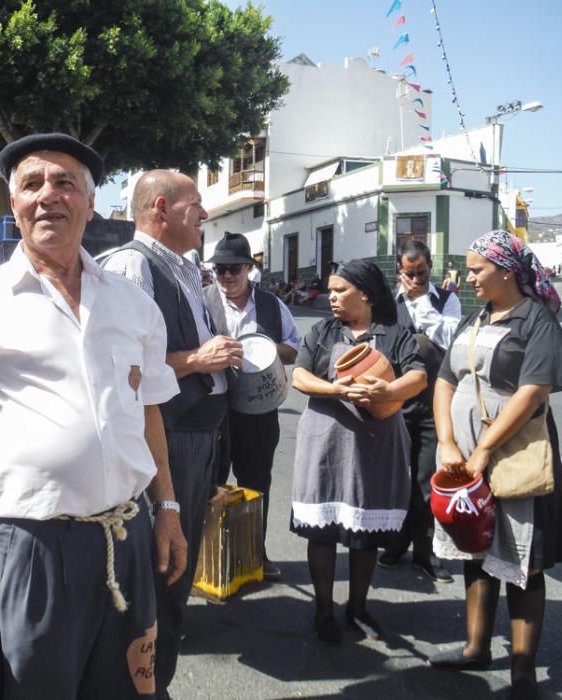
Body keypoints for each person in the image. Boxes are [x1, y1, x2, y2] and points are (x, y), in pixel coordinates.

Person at [0, 134, 187, 699]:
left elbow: (147, 411)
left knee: (130, 691)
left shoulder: (133, 304)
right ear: (14, 205)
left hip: (126, 538)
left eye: (64, 183)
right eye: (31, 184)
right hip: (32, 547)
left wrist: (170, 509)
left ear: (89, 201)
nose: (47, 196)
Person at [102, 170, 243, 699]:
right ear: (161, 208)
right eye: (196, 205)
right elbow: (125, 368)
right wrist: (197, 359)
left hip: (201, 436)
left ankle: (156, 676)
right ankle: (147, 683)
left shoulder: (185, 267)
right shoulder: (132, 265)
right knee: (165, 564)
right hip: (171, 437)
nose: (205, 214)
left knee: (178, 569)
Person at [428, 230, 562, 700]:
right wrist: (449, 441)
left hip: (511, 452)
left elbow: (532, 392)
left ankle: (524, 672)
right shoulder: (477, 317)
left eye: (477, 270)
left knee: (522, 560)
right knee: (476, 547)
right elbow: (447, 379)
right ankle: (475, 648)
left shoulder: (538, 322)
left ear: (507, 270)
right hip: (465, 450)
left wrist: (484, 448)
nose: (468, 278)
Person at [290, 260, 426, 645]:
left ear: (364, 293)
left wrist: (389, 392)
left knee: (364, 533)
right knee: (323, 532)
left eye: (339, 291)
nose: (331, 297)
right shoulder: (322, 331)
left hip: (375, 445)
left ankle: (358, 607)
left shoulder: (394, 333)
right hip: (325, 442)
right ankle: (322, 609)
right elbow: (299, 376)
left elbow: (418, 376)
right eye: (330, 291)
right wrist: (336, 390)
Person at [203, 232, 301, 580]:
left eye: (233, 269)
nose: (226, 277)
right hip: (212, 409)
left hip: (259, 410)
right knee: (209, 481)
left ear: (248, 269)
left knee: (256, 483)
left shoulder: (273, 305)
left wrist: (264, 350)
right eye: (219, 270)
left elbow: (294, 348)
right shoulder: (202, 301)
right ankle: (207, 556)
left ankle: (254, 553)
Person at [379, 239, 461, 583]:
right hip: (396, 404)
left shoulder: (446, 301)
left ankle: (427, 554)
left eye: (422, 273)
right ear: (399, 271)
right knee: (396, 478)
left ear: (430, 269)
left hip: (431, 406)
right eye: (409, 273)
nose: (415, 279)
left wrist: (423, 305)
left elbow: (449, 339)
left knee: (426, 480)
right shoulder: (388, 305)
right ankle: (396, 543)